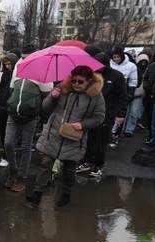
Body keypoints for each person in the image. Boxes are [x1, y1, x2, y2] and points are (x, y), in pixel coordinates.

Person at [26, 66, 106, 209]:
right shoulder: (63, 88)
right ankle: (37, 193)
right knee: (45, 164)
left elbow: (99, 117)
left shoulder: (96, 96)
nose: (76, 84)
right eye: (73, 80)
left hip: (74, 138)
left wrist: (82, 124)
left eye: (80, 82)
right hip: (53, 133)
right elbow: (45, 108)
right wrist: (52, 97)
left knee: (69, 170)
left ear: (88, 81)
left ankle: (66, 194)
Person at [3, 45, 48, 193]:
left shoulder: (42, 69)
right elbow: (12, 88)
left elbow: (46, 95)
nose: (25, 60)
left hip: (30, 115)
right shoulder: (18, 66)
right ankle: (13, 171)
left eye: (28, 57)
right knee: (8, 143)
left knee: (26, 147)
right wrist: (12, 102)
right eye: (23, 57)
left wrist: (37, 111)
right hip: (13, 112)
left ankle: (22, 177)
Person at [78, 53, 127, 177]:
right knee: (89, 139)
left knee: (101, 141)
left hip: (108, 114)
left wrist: (120, 114)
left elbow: (123, 97)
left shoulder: (116, 76)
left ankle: (99, 165)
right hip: (91, 114)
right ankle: (86, 162)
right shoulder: (92, 75)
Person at [0, 52, 17, 164]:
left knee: (9, 134)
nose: (8, 66)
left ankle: (7, 156)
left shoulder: (17, 75)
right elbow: (1, 89)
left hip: (10, 106)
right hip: (1, 105)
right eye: (6, 64)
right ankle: (6, 153)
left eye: (9, 64)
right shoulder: (5, 74)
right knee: (1, 131)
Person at [111, 47, 140, 138]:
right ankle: (108, 134)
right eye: (114, 57)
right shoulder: (110, 64)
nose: (116, 59)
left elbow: (133, 81)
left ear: (122, 56)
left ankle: (116, 135)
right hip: (111, 93)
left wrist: (130, 93)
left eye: (118, 57)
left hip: (123, 93)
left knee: (120, 115)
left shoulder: (131, 66)